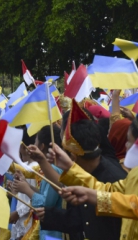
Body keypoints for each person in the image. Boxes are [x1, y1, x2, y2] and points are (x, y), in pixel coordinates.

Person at [28, 100, 127, 240]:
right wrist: (51, 216)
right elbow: (80, 219)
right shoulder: (89, 173)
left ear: (72, 157)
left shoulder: (114, 178)